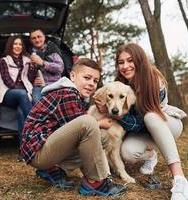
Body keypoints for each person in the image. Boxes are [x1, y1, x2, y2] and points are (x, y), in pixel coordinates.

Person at [95, 43, 188, 200]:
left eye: (130, 60)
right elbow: (129, 123)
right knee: (127, 152)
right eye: (121, 62)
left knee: (150, 117)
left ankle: (180, 179)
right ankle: (150, 155)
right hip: (144, 132)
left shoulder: (154, 81)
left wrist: (117, 116)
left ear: (139, 60)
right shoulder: (121, 84)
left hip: (167, 125)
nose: (125, 66)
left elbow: (140, 122)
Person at [20, 58, 127, 197]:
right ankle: (95, 182)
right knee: (89, 123)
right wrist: (99, 123)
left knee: (103, 138)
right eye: (87, 77)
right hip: (38, 152)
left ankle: (52, 169)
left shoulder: (75, 96)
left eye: (95, 80)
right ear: (72, 76)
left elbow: (75, 133)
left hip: (45, 148)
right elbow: (82, 125)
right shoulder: (67, 92)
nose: (91, 84)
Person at [0, 35, 35, 161]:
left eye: (20, 44)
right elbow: (7, 80)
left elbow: (29, 78)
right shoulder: (4, 61)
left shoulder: (26, 60)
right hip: (8, 93)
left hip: (23, 93)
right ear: (10, 46)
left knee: (20, 113)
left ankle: (23, 151)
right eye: (15, 44)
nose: (17, 46)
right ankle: (35, 123)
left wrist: (33, 68)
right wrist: (22, 90)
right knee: (22, 95)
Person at [27, 29, 64, 102]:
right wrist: (32, 81)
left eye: (39, 37)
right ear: (31, 40)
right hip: (38, 87)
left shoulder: (52, 49)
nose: (37, 40)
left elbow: (60, 68)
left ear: (44, 37)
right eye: (33, 38)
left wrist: (42, 63)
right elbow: (24, 74)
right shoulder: (29, 54)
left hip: (54, 84)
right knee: (37, 103)